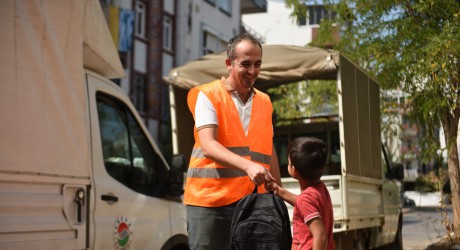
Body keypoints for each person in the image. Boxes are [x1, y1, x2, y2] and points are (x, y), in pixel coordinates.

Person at [184, 32, 282, 250]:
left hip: (254, 203)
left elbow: (269, 148)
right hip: (210, 203)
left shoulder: (265, 102)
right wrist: (248, 165)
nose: (252, 71)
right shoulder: (208, 95)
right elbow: (208, 146)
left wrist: (279, 192)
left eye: (257, 64)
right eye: (245, 64)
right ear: (229, 63)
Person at [266, 137, 333, 250]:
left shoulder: (305, 199)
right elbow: (304, 205)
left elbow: (320, 235)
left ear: (294, 170)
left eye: (288, 162)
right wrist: (280, 191)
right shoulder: (320, 190)